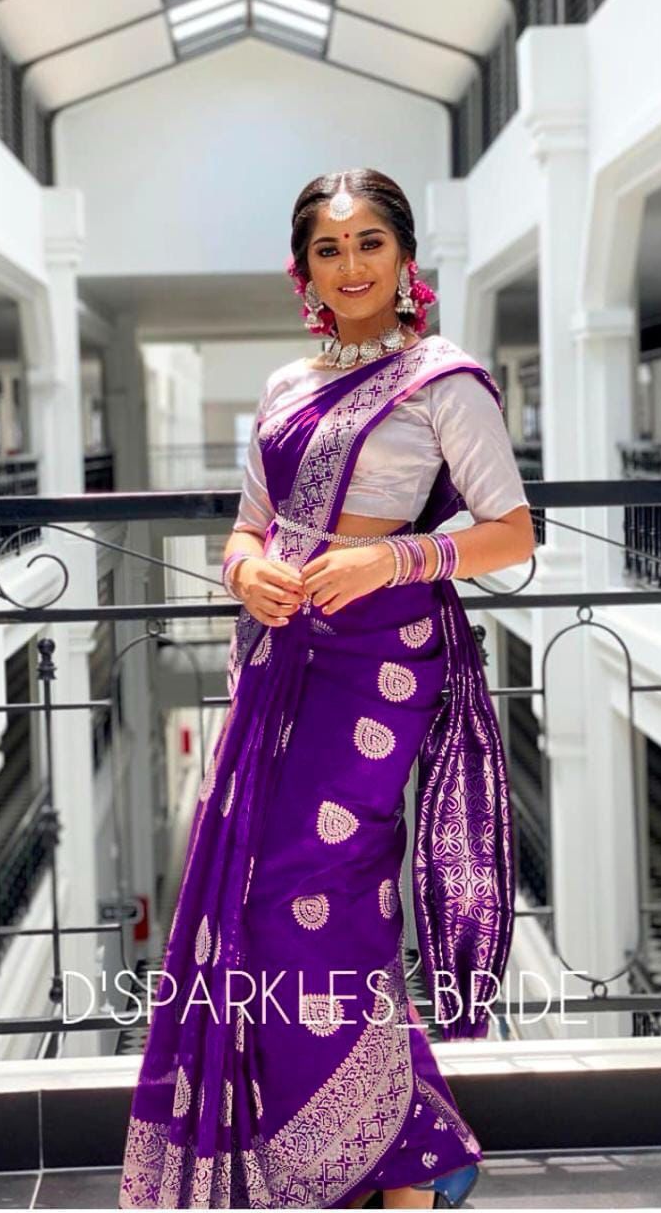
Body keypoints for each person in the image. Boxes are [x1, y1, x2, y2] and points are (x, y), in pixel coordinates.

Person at [118, 168, 536, 1210]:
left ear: (405, 257)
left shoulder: (444, 380)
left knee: (313, 891)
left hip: (378, 660)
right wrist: (242, 570)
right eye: (328, 248)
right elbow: (249, 524)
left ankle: (390, 1153)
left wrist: (390, 559)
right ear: (302, 269)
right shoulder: (283, 386)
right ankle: (407, 1151)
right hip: (275, 653)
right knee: (257, 900)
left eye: (370, 243)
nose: (351, 266)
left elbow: (511, 532)